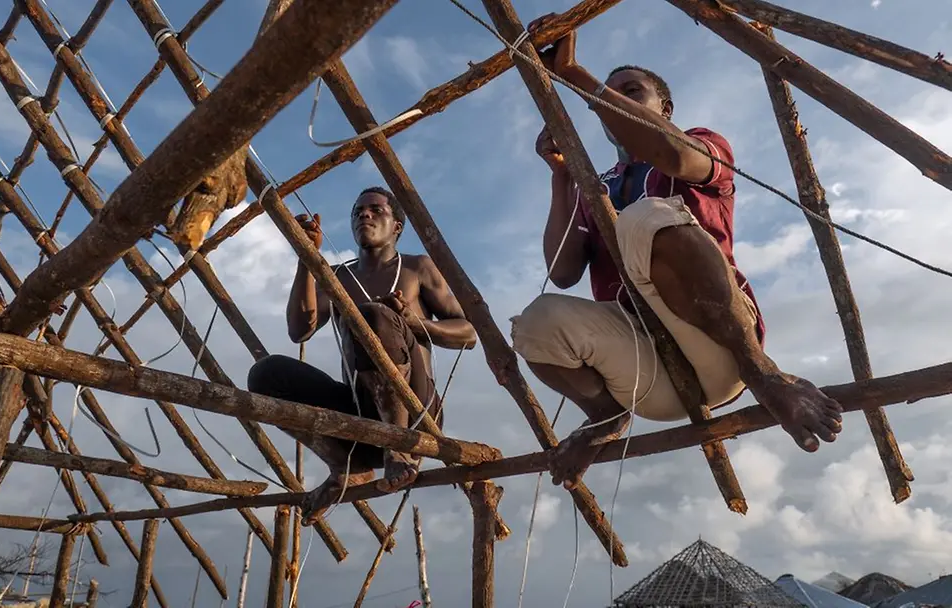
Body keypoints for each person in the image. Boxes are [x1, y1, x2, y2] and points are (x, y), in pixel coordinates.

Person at [510, 17, 844, 491]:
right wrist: (561, 175)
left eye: (630, 90)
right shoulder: (594, 185)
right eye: (610, 92)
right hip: (645, 374)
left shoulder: (702, 144)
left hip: (721, 351)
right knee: (536, 322)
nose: (615, 98)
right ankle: (605, 417)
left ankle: (766, 375)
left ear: (663, 107)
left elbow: (672, 156)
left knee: (645, 216)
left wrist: (576, 75)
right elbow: (562, 273)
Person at [248, 187, 476, 519]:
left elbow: (468, 334)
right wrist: (307, 259)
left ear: (397, 225)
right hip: (361, 421)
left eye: (375, 210)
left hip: (415, 414)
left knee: (371, 316)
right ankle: (346, 465)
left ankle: (396, 446)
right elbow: (300, 330)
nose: (364, 215)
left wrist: (412, 323)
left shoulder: (417, 269)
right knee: (266, 374)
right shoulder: (339, 277)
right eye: (357, 212)